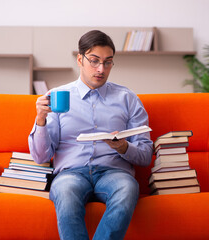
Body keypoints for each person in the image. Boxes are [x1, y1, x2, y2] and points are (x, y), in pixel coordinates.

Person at [28, 30, 153, 240]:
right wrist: (40, 119)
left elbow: (146, 155)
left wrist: (123, 147)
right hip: (71, 174)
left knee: (127, 189)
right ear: (80, 59)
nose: (101, 69)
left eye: (108, 62)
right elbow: (40, 157)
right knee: (66, 192)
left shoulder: (128, 99)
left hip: (114, 172)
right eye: (94, 61)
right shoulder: (58, 97)